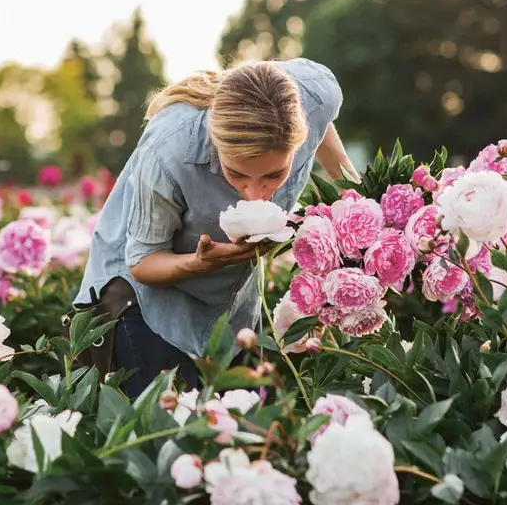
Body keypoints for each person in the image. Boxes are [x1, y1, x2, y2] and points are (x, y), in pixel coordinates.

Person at [71, 58, 357, 397]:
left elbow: (320, 125)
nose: (256, 194)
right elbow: (143, 261)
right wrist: (201, 262)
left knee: (245, 429)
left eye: (273, 175)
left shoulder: (315, 92)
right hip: (146, 299)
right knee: (170, 437)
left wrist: (352, 192)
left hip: (230, 302)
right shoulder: (168, 150)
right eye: (236, 174)